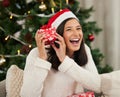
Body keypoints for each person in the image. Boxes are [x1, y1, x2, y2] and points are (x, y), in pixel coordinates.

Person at [20, 8, 101, 97]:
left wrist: (64, 60)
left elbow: (96, 86)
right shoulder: (36, 53)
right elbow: (27, 95)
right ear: (58, 34)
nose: (76, 34)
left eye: (78, 28)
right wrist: (42, 59)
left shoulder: (84, 49)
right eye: (69, 29)